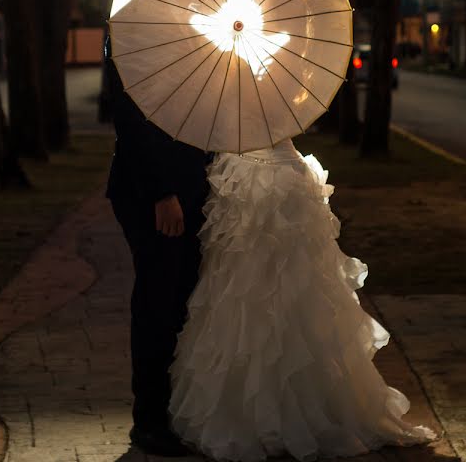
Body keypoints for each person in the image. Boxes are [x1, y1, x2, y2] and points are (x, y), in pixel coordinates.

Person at [168, 138, 437, 461]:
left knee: (277, 284)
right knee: (251, 283)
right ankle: (278, 409)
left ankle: (276, 411)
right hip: (266, 173)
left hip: (260, 173)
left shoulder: (227, 94)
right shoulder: (288, 93)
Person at [104, 35, 211, 457]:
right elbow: (130, 118)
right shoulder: (133, 26)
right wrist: (162, 193)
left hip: (193, 185)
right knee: (157, 302)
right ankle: (148, 421)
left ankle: (175, 411)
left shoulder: (192, 23)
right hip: (152, 193)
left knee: (182, 301)